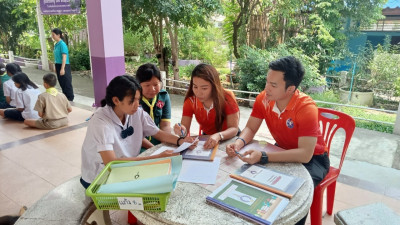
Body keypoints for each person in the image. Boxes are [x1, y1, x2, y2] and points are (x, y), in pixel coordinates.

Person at [225, 56, 330, 225]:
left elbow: (304, 155)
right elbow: (251, 128)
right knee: (253, 183)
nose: (267, 88)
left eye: (273, 85)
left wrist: (263, 156)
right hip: (280, 149)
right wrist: (239, 142)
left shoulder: (306, 108)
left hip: (314, 160)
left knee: (295, 197)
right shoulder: (263, 99)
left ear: (290, 89)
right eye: (267, 82)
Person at [80, 75, 195, 188]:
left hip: (126, 169)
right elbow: (111, 163)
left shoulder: (136, 113)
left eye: (138, 99)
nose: (137, 104)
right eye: (132, 100)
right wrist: (157, 158)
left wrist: (181, 141)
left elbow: (158, 133)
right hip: (100, 178)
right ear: (116, 100)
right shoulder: (101, 122)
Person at [173, 63, 240, 149]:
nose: (198, 92)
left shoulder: (227, 97)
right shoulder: (190, 101)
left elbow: (234, 129)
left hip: (229, 139)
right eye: (195, 87)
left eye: (204, 88)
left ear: (214, 86)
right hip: (208, 139)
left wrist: (219, 135)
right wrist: (181, 130)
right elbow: (185, 130)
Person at [136, 63, 171, 150]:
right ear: (138, 85)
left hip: (158, 140)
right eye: (147, 85)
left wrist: (165, 145)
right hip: (139, 144)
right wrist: (154, 149)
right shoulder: (133, 99)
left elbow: (165, 125)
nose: (152, 89)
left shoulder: (163, 96)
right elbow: (134, 133)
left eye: (156, 84)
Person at [51, 28, 74, 101]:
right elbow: (57, 57)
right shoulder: (56, 44)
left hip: (64, 65)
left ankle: (70, 99)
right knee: (62, 83)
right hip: (58, 65)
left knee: (66, 83)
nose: (52, 36)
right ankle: (65, 98)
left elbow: (64, 57)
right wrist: (56, 67)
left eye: (53, 35)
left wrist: (62, 68)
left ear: (58, 35)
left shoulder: (62, 44)